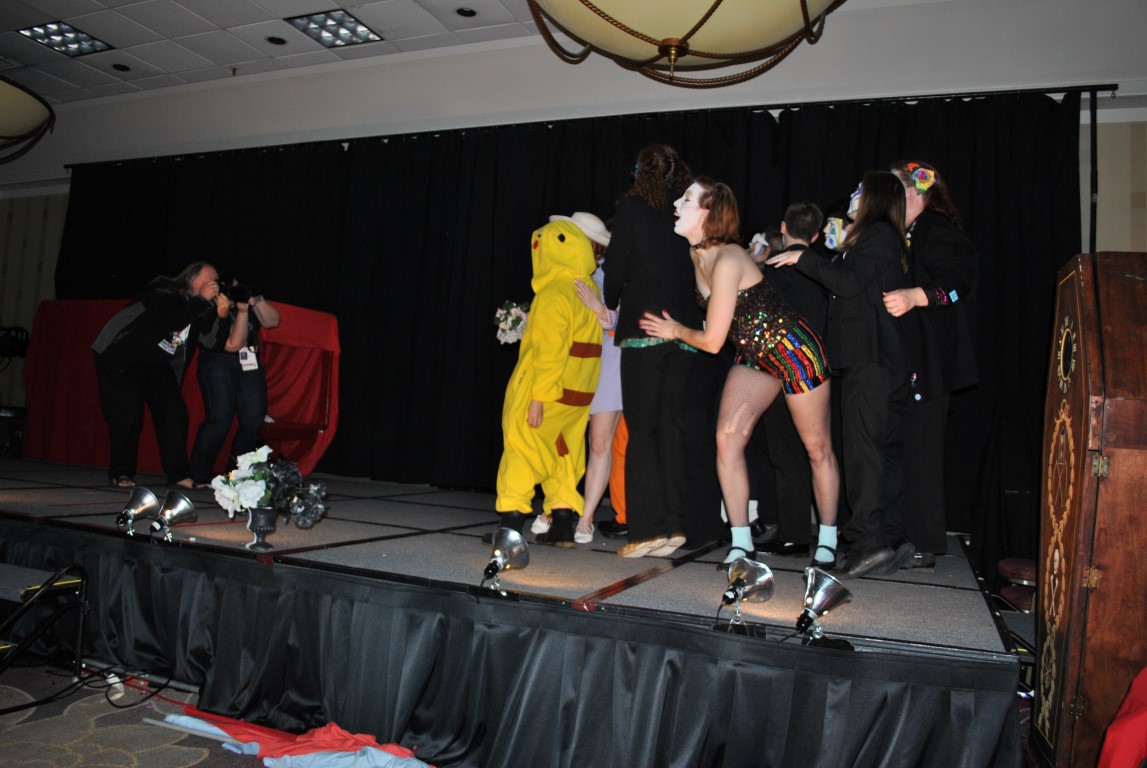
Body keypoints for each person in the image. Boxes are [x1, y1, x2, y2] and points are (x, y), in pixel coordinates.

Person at [639, 178, 841, 568]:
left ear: (709, 213)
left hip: (794, 350)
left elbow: (713, 341)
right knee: (727, 439)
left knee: (817, 449)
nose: (676, 205)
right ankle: (741, 542)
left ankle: (829, 539)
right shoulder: (696, 254)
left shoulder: (728, 258)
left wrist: (675, 330)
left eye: (686, 199)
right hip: (755, 356)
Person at [768, 171, 921, 578]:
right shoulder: (883, 237)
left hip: (870, 362)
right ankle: (891, 539)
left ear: (876, 199)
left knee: (863, 453)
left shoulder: (877, 235)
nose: (853, 195)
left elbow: (849, 284)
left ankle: (869, 543)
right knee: (883, 453)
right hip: (881, 361)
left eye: (860, 191)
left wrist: (803, 258)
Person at [602, 144, 701, 558]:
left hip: (645, 329)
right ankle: (674, 525)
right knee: (670, 429)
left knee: (642, 431)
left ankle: (645, 531)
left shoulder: (633, 207)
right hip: (683, 333)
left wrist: (612, 298)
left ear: (640, 172)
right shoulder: (684, 210)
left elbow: (616, 265)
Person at [882, 160, 978, 568]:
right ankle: (901, 536)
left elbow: (959, 283)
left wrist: (917, 296)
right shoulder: (905, 235)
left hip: (928, 361)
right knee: (902, 448)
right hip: (906, 362)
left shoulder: (936, 229)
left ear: (914, 193)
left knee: (921, 450)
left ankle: (922, 542)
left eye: (893, 191)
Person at [492, 219, 602, 548]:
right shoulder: (587, 289)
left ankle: (510, 528)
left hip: (548, 390)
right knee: (564, 454)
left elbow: (550, 351)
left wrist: (538, 397)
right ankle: (562, 525)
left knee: (522, 448)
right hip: (577, 395)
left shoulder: (555, 293)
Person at [529, 211, 621, 545]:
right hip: (570, 364)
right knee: (560, 439)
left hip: (608, 361)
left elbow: (630, 319)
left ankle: (586, 517)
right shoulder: (565, 269)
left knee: (598, 442)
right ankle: (557, 506)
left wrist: (598, 308)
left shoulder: (619, 270)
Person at [91, 262, 224, 489]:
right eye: (208, 280)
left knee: (175, 414)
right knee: (127, 416)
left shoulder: (200, 308)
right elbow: (171, 321)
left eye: (216, 281)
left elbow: (214, 343)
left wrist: (222, 315)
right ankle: (121, 472)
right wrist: (201, 300)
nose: (214, 285)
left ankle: (179, 474)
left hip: (157, 364)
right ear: (191, 278)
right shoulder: (163, 290)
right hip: (125, 355)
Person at [752, 202, 833, 555]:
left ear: (783, 227)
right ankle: (829, 535)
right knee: (821, 451)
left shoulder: (770, 270)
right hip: (817, 369)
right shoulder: (826, 270)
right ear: (815, 236)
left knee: (785, 452)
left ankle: (794, 533)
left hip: (780, 367)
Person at [188, 278, 281, 486]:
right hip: (219, 359)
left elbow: (272, 321)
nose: (237, 291)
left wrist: (255, 299)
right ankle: (198, 474)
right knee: (219, 419)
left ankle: (236, 476)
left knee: (253, 419)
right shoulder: (212, 304)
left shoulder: (245, 301)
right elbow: (232, 344)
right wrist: (241, 311)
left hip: (249, 360)